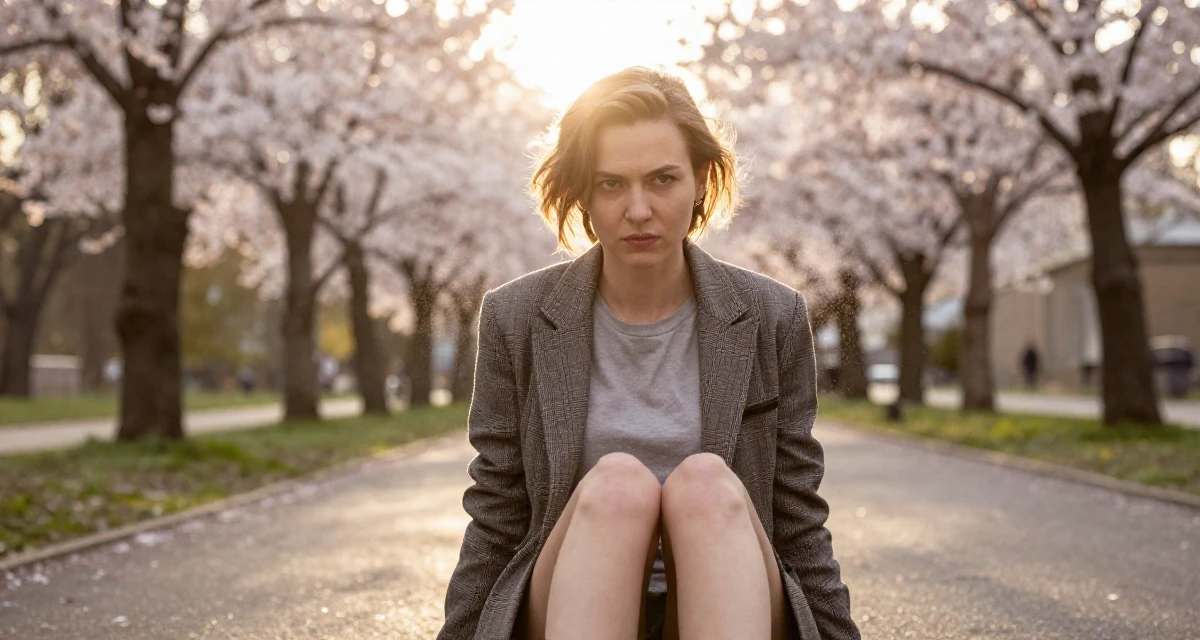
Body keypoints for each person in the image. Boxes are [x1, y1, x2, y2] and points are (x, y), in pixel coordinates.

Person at [437, 67, 858, 640]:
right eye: (611, 184)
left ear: (701, 181)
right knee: (617, 485)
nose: (638, 209)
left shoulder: (771, 317)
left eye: (662, 180)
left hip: (735, 599)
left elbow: (798, 516)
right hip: (567, 599)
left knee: (706, 483)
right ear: (582, 190)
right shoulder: (516, 318)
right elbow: (496, 513)